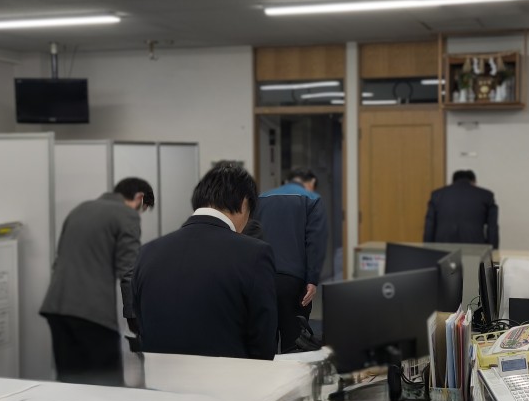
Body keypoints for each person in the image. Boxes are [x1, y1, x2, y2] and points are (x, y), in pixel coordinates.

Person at [128, 162, 276, 360]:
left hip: (160, 376)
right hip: (229, 377)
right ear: (244, 203)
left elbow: (141, 325)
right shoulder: (255, 253)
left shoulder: (146, 253)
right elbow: (263, 340)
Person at [40, 177, 153, 386]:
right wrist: (134, 317)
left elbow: (59, 260)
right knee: (107, 386)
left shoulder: (80, 209)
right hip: (92, 314)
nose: (139, 214)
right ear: (139, 197)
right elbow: (128, 271)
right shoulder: (126, 214)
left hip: (57, 308)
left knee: (70, 382)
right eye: (142, 209)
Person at [255, 168, 328, 353]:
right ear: (311, 182)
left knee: (264, 342)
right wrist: (312, 279)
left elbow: (250, 236)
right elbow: (315, 242)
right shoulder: (312, 199)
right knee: (295, 343)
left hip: (261, 278)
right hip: (293, 281)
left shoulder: (261, 198)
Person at [423, 170, 499, 248]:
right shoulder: (487, 196)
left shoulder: (437, 195)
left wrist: (427, 250)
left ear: (453, 181)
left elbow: (429, 227)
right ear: (473, 181)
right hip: (475, 249)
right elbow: (492, 228)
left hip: (443, 249)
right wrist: (493, 251)